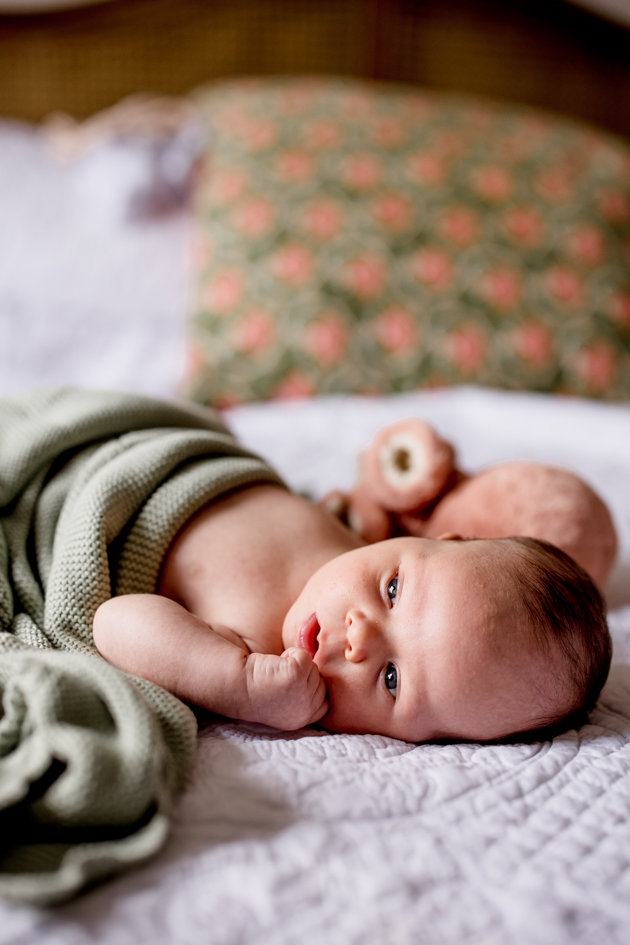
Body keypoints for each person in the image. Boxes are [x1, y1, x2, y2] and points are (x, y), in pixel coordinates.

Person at [93, 481, 611, 743]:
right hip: (180, 455)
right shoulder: (360, 537)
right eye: (392, 589)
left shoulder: (246, 652)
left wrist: (237, 683)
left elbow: (113, 623)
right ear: (433, 539)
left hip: (101, 502)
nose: (360, 637)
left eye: (391, 679)